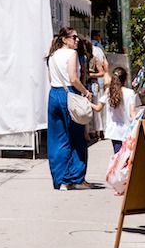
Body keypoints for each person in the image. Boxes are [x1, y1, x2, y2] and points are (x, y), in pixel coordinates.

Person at [46, 26, 91, 190]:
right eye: (74, 37)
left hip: (54, 94)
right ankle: (74, 177)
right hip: (69, 95)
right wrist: (85, 92)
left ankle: (60, 179)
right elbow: (73, 78)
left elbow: (51, 78)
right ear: (65, 39)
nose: (77, 40)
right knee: (77, 138)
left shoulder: (52, 56)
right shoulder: (72, 54)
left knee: (57, 139)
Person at [88, 67, 137, 153]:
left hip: (113, 129)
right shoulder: (130, 93)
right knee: (128, 153)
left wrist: (88, 102)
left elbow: (98, 108)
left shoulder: (108, 92)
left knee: (117, 153)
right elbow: (132, 112)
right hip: (127, 129)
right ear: (125, 79)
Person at [89, 29, 110, 139]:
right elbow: (105, 64)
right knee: (102, 106)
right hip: (100, 81)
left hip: (91, 81)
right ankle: (102, 130)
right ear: (96, 36)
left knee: (93, 107)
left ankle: (93, 131)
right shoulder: (98, 48)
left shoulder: (88, 49)